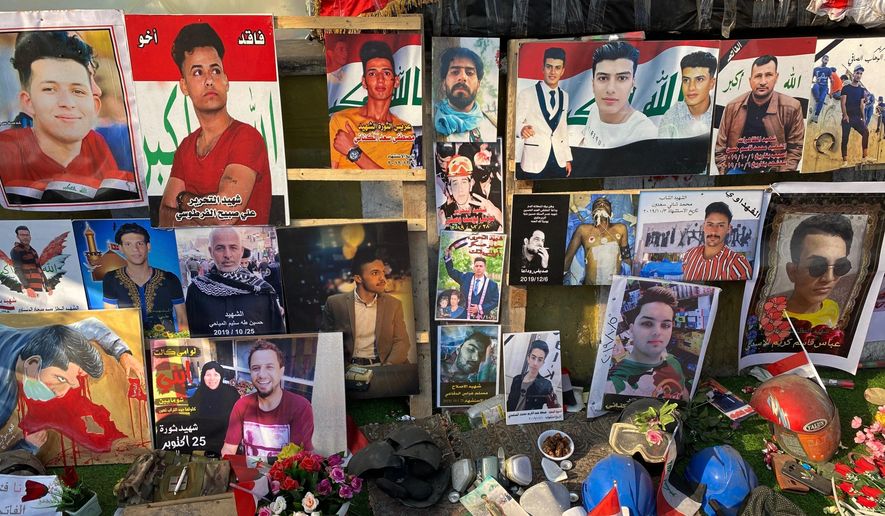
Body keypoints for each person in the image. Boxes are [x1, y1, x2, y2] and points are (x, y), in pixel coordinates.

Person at [0, 31, 137, 205]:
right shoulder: (8, 151)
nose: (67, 103)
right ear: (28, 102)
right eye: (50, 89)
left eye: (77, 91)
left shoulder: (95, 143)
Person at [159, 23, 272, 226]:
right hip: (194, 257)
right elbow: (165, 217)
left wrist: (184, 201)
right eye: (197, 73)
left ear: (226, 81)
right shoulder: (185, 147)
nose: (209, 80)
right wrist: (203, 211)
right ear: (184, 86)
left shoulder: (246, 137)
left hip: (247, 256)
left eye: (215, 70)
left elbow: (223, 215)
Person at [0, 318, 144, 453]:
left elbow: (92, 326)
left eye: (74, 379)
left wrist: (123, 354)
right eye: (61, 379)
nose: (63, 393)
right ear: (32, 365)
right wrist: (27, 447)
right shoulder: (4, 400)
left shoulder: (51, 339)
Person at [329, 41, 415, 169]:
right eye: (372, 73)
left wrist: (353, 151)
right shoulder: (341, 121)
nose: (380, 79)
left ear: (396, 81)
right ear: (364, 82)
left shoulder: (404, 130)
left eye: (386, 73)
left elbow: (394, 182)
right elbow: (332, 178)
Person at [185, 228, 284, 338]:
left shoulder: (263, 290)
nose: (227, 255)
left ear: (241, 251)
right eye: (220, 248)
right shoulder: (196, 289)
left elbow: (278, 335)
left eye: (233, 247)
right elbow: (191, 334)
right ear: (211, 252)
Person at [715, 55, 805, 174]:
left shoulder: (792, 107)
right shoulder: (732, 107)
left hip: (773, 173)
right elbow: (720, 148)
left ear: (776, 77)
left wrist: (781, 176)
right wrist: (726, 173)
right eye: (758, 76)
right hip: (738, 171)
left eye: (768, 75)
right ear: (750, 80)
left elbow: (795, 149)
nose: (763, 82)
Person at [221, 341, 313, 457]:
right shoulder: (241, 405)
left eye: (269, 367)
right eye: (256, 368)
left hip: (285, 475)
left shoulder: (300, 407)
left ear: (281, 371)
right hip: (249, 474)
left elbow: (301, 460)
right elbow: (228, 451)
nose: (262, 375)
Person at [321, 249, 410, 366]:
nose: (383, 278)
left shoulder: (393, 304)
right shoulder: (335, 304)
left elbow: (402, 341)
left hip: (383, 365)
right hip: (349, 368)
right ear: (358, 278)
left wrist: (389, 365)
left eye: (383, 272)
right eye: (375, 273)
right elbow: (326, 343)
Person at [769, 214, 854, 330]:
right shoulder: (770, 319)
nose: (829, 278)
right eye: (817, 266)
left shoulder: (832, 308)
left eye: (840, 266)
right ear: (792, 271)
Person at [102, 223, 189, 335]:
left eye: (140, 243)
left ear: (148, 247)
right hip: (132, 345)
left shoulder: (170, 279)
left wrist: (183, 346)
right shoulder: (111, 279)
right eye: (128, 244)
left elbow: (182, 318)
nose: (135, 249)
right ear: (121, 249)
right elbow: (110, 318)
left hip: (166, 346)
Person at [605, 286, 688, 401]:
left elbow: (683, 393)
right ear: (632, 330)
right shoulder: (615, 383)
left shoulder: (673, 362)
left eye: (665, 325)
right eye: (648, 323)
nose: (657, 332)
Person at [578, 41, 657, 149]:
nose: (610, 89)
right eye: (603, 78)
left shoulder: (644, 132)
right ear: (593, 84)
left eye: (622, 78)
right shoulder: (595, 109)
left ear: (632, 84)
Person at [515, 47, 572, 177]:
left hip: (558, 160)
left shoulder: (565, 96)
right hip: (534, 161)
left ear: (562, 71)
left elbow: (563, 128)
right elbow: (515, 123)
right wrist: (521, 129)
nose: (553, 72)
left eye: (557, 68)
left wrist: (567, 158)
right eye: (549, 67)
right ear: (543, 68)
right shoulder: (527, 94)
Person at [434, 47, 497, 142]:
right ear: (444, 83)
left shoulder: (493, 126)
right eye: (455, 72)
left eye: (469, 73)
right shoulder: (431, 125)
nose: (463, 77)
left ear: (478, 85)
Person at [563, 197, 630, 285]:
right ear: (592, 213)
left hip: (613, 287)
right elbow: (568, 257)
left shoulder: (621, 229)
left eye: (605, 203)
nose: (601, 204)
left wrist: (630, 280)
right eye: (597, 203)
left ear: (611, 213)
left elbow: (626, 257)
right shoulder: (583, 230)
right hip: (590, 287)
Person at [680, 202, 752, 281]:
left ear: (728, 229)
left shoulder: (738, 265)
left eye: (721, 225)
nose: (714, 231)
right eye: (710, 224)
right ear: (703, 226)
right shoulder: (689, 255)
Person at [658, 51, 717, 138]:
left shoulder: (723, 114)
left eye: (699, 79)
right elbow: (661, 150)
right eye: (686, 80)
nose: (691, 87)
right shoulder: (671, 116)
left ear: (711, 83)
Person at [437, 154, 503, 231]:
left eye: (464, 182)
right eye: (455, 183)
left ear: (471, 184)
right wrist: (440, 227)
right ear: (450, 188)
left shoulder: (485, 208)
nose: (460, 189)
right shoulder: (445, 213)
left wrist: (497, 214)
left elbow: (509, 234)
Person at [188, 361, 240, 454]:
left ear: (221, 376)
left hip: (229, 445)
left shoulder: (231, 393)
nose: (212, 378)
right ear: (203, 376)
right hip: (205, 446)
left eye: (216, 374)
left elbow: (238, 421)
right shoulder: (198, 394)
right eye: (208, 375)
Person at [443, 248, 500, 321]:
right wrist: (448, 257)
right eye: (476, 266)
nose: (478, 268)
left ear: (485, 268)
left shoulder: (492, 285)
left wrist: (480, 308)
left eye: (481, 266)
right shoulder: (465, 277)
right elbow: (451, 272)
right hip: (463, 317)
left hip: (483, 319)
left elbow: (495, 301)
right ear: (473, 267)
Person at [506, 340, 556, 412]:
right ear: (528, 358)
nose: (535, 363)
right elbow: (509, 403)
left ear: (543, 363)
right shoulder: (516, 379)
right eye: (533, 358)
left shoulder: (546, 385)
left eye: (540, 360)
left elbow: (554, 409)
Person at [839, 65, 873, 167]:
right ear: (853, 74)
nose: (859, 75)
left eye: (861, 74)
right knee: (845, 138)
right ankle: (845, 161)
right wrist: (845, 115)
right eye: (857, 73)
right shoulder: (846, 88)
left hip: (857, 117)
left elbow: (862, 105)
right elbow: (842, 103)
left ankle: (864, 157)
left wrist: (863, 118)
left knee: (866, 132)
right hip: (847, 117)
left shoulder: (861, 90)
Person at [10, 226, 51, 299]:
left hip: (40, 288)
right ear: (18, 237)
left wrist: (47, 285)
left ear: (30, 236)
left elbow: (39, 269)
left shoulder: (33, 251)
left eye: (27, 235)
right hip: (29, 289)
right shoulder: (16, 251)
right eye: (22, 235)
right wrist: (27, 288)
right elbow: (18, 270)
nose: (25, 237)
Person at [810, 54, 837, 123]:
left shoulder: (828, 70)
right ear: (822, 59)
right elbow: (810, 79)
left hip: (824, 87)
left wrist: (831, 92)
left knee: (822, 99)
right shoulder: (816, 69)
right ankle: (819, 101)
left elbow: (832, 81)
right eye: (825, 59)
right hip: (818, 85)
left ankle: (816, 116)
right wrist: (813, 82)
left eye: (827, 60)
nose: (826, 61)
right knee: (815, 87)